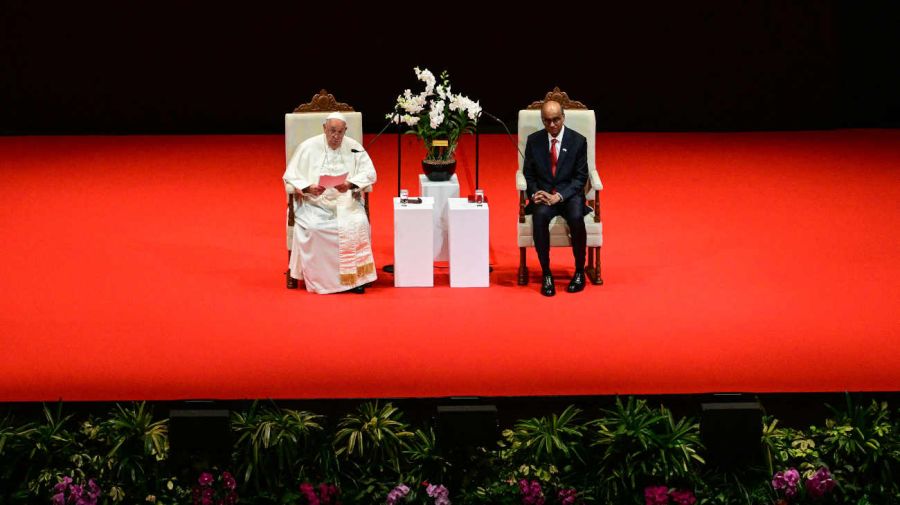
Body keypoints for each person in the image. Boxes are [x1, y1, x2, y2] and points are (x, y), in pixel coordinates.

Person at [283, 112, 377, 294]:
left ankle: (354, 280)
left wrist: (350, 184)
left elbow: (370, 173)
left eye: (340, 132)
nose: (336, 136)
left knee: (358, 223)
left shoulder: (354, 147)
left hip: (346, 202)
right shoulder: (308, 147)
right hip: (314, 203)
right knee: (314, 228)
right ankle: (322, 282)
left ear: (345, 131)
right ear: (324, 129)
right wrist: (309, 188)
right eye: (332, 131)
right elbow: (290, 177)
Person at [522, 100, 589, 297]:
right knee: (540, 217)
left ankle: (579, 271)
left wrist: (559, 196)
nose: (552, 125)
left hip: (569, 195)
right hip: (544, 196)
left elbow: (580, 178)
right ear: (543, 120)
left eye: (556, 120)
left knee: (577, 218)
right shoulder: (534, 141)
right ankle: (546, 273)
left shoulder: (578, 141)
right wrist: (535, 193)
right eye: (547, 121)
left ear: (563, 118)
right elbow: (528, 175)